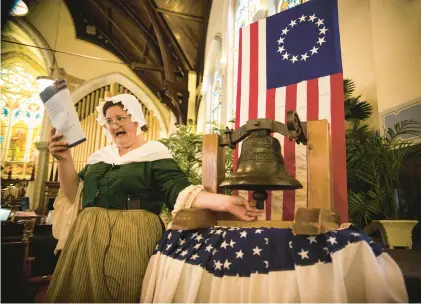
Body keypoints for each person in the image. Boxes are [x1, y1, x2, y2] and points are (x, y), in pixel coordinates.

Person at [45, 93, 263, 303]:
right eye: (109, 121)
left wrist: (224, 202)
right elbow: (75, 194)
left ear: (137, 119)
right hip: (87, 236)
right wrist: (64, 160)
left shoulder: (154, 153)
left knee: (125, 291)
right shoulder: (99, 158)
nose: (114, 125)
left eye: (121, 118)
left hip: (131, 235)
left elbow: (178, 189)